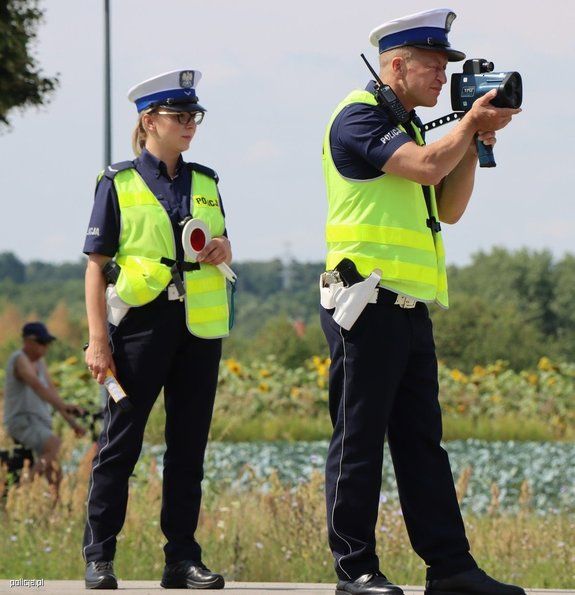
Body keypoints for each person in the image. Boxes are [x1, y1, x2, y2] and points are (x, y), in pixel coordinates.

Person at [319, 9, 525, 595]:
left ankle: (451, 568)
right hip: (364, 305)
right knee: (358, 442)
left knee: (420, 445)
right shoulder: (357, 116)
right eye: (433, 66)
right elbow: (429, 165)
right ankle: (354, 569)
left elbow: (450, 204)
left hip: (408, 307)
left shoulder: (407, 125)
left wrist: (476, 141)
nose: (443, 78)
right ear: (396, 65)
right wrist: (464, 129)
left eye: (446, 66)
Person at [82, 69, 232, 590]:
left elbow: (223, 244)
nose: (191, 124)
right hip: (139, 331)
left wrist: (220, 249)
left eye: (195, 116)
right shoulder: (117, 182)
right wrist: (98, 340)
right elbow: (96, 267)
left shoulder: (208, 180)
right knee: (119, 447)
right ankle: (99, 557)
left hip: (198, 331)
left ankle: (181, 560)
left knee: (188, 450)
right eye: (180, 116)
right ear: (149, 121)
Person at [3, 322, 86, 495]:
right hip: (22, 420)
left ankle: (54, 512)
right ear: (27, 341)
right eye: (42, 342)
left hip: (39, 421)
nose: (45, 347)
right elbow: (37, 386)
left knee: (55, 470)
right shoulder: (19, 359)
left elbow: (52, 393)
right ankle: (21, 494)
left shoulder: (40, 363)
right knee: (54, 444)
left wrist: (72, 423)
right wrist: (65, 406)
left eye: (47, 343)